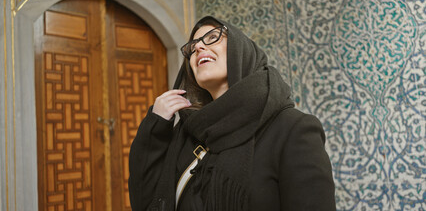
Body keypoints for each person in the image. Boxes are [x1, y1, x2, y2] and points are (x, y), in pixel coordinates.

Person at [128, 16, 336, 211]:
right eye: (192, 48)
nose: (198, 47)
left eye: (212, 37)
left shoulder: (292, 129)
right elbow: (146, 200)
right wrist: (155, 127)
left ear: (241, 50)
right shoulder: (189, 133)